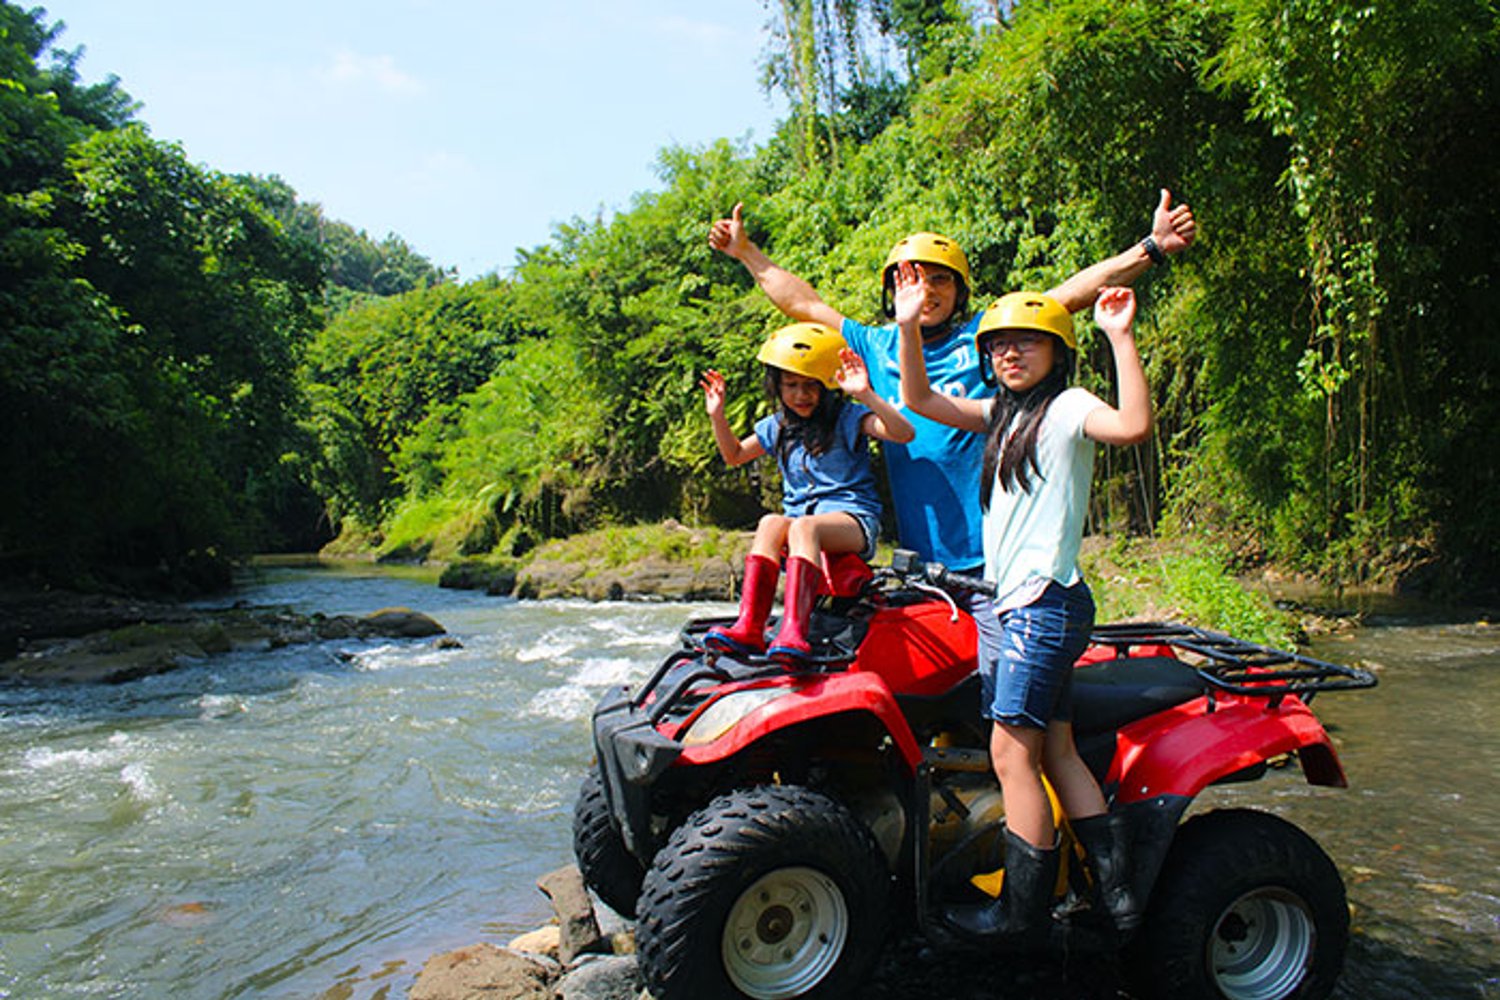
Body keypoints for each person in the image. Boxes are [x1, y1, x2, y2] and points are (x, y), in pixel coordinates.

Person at [709, 192, 1195, 675]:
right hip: (922, 565)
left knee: (1005, 686)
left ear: (959, 290)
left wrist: (1150, 247)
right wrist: (746, 253)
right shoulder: (877, 346)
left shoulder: (989, 340)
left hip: (996, 558)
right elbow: (804, 303)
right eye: (912, 278)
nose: (927, 289)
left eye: (940, 279)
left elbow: (1068, 295)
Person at [895, 270, 1150, 942]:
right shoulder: (999, 415)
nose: (1010, 354)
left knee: (1011, 755)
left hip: (1040, 606)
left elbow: (1131, 425)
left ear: (1058, 353)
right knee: (1057, 751)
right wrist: (904, 323)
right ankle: (1118, 899)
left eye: (1027, 344)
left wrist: (1120, 337)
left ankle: (1020, 914)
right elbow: (916, 396)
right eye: (1000, 345)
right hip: (1033, 605)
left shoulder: (1066, 408)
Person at [701, 322, 914, 663]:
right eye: (792, 386)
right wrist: (718, 415)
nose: (801, 395)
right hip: (803, 524)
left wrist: (865, 394)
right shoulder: (778, 427)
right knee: (772, 522)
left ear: (827, 388)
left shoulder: (849, 417)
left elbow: (903, 433)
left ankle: (794, 632)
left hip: (854, 522)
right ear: (778, 386)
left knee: (803, 526)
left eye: (811, 387)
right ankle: (749, 627)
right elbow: (734, 455)